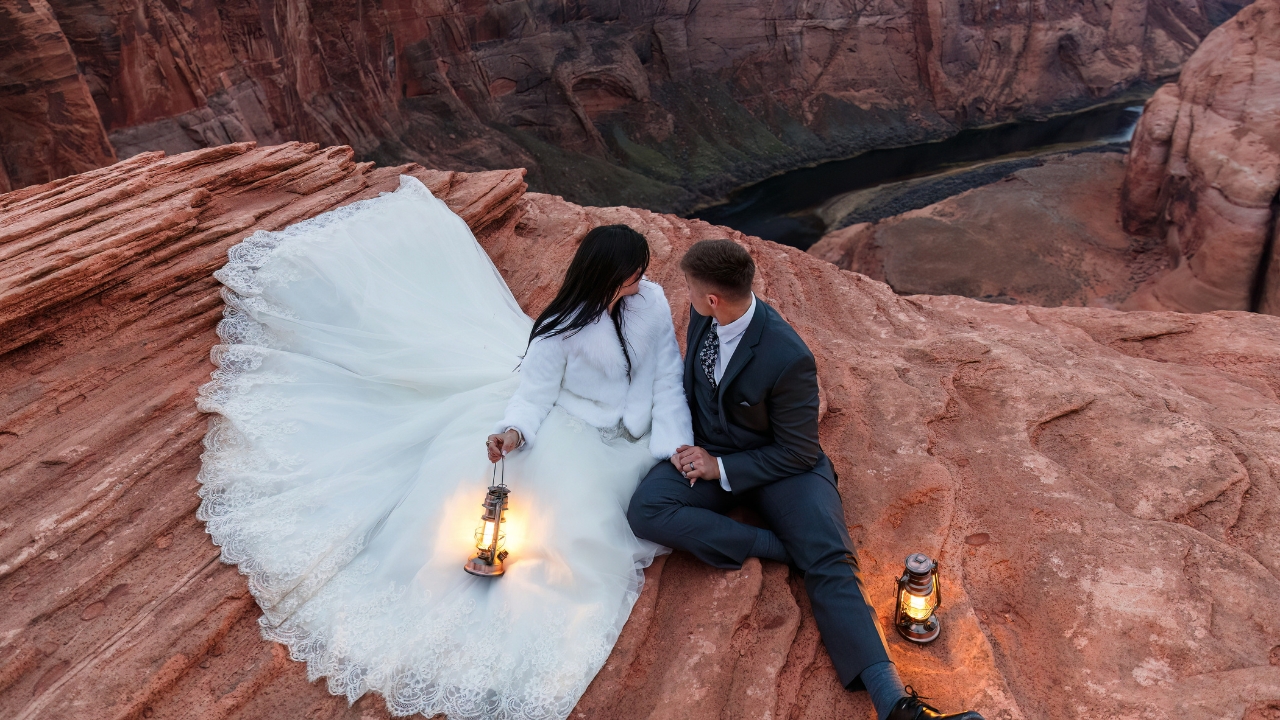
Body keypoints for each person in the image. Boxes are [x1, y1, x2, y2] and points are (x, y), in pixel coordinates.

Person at [196, 175, 692, 720]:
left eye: (639, 276)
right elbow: (536, 392)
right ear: (600, 277)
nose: (637, 285)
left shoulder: (651, 302)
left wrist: (674, 442)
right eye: (626, 278)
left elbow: (667, 373)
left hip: (635, 432)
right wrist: (514, 432)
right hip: (572, 425)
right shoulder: (558, 329)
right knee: (562, 520)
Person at [627, 239, 984, 720]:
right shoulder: (704, 318)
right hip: (708, 454)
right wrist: (688, 447)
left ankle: (896, 706)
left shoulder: (787, 354)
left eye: (689, 287)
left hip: (783, 467)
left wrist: (722, 468)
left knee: (833, 562)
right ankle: (780, 547)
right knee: (646, 510)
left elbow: (797, 449)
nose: (683, 294)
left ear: (713, 297)